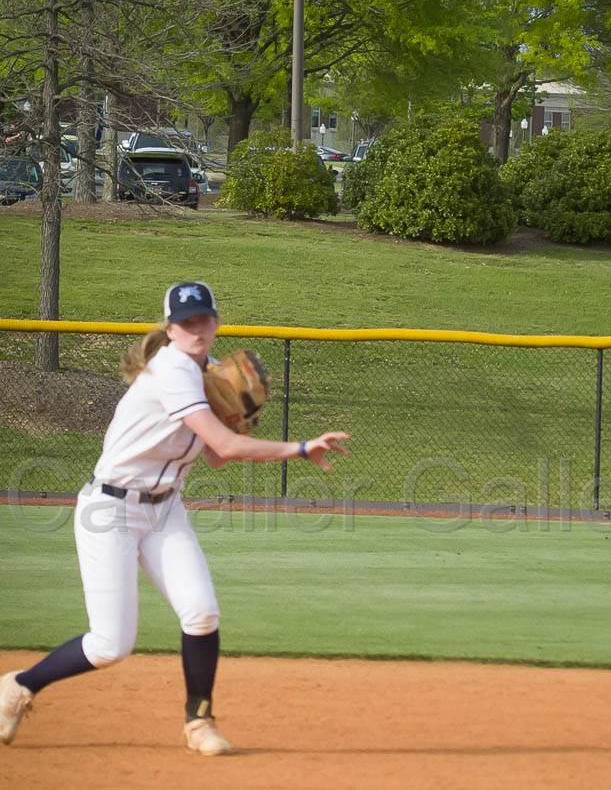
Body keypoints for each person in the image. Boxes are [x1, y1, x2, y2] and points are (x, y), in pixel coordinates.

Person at [0, 282, 349, 756]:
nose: (197, 328)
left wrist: (238, 418)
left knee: (201, 612)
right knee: (110, 646)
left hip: (164, 509)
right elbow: (225, 450)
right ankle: (18, 685)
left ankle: (199, 722)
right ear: (170, 329)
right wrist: (300, 448)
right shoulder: (173, 371)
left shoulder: (207, 372)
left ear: (216, 322)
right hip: (111, 510)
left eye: (204, 319)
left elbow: (215, 456)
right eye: (187, 322)